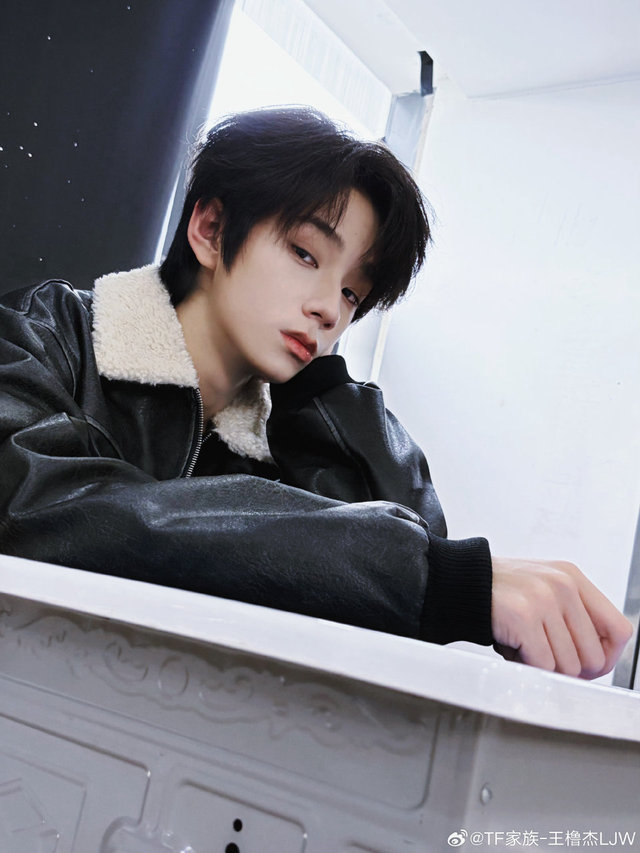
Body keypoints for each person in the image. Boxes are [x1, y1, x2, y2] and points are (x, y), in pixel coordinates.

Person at [0, 106, 632, 679]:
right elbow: (41, 513)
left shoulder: (291, 437)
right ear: (212, 229)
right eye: (305, 254)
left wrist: (322, 390)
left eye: (354, 292)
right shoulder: (44, 336)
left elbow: (400, 599)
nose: (331, 309)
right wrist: (435, 576)